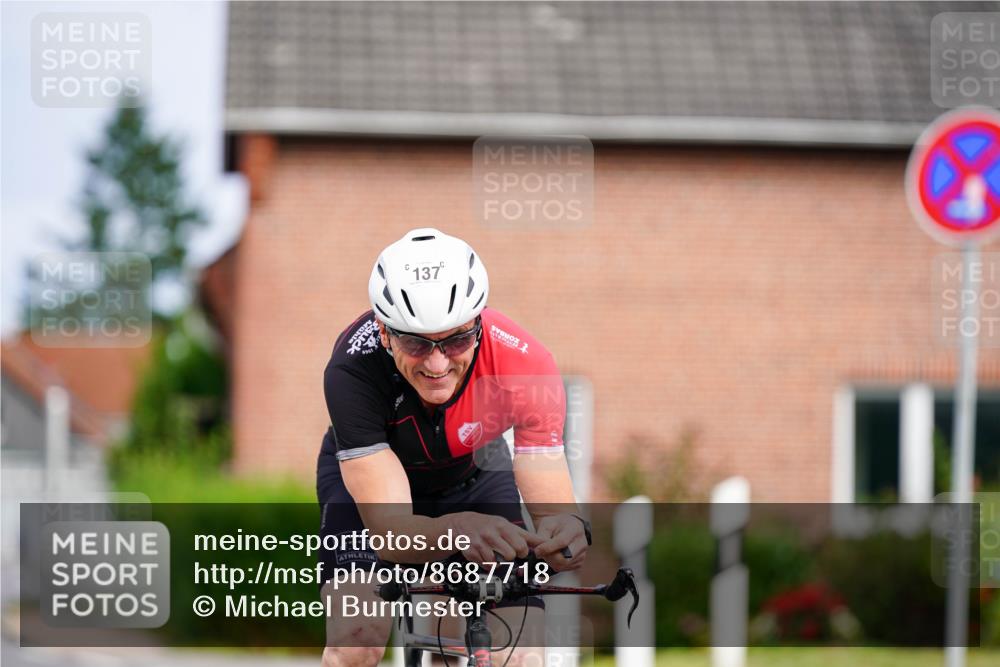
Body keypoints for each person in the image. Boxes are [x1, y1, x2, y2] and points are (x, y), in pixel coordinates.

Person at [318, 228, 589, 667]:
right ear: (385, 334)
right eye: (416, 343)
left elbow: (551, 503)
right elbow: (390, 534)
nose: (438, 364)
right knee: (357, 639)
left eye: (457, 340)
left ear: (479, 324)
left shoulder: (524, 363)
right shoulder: (352, 369)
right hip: (372, 491)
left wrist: (566, 529)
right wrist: (458, 530)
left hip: (475, 475)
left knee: (518, 655)